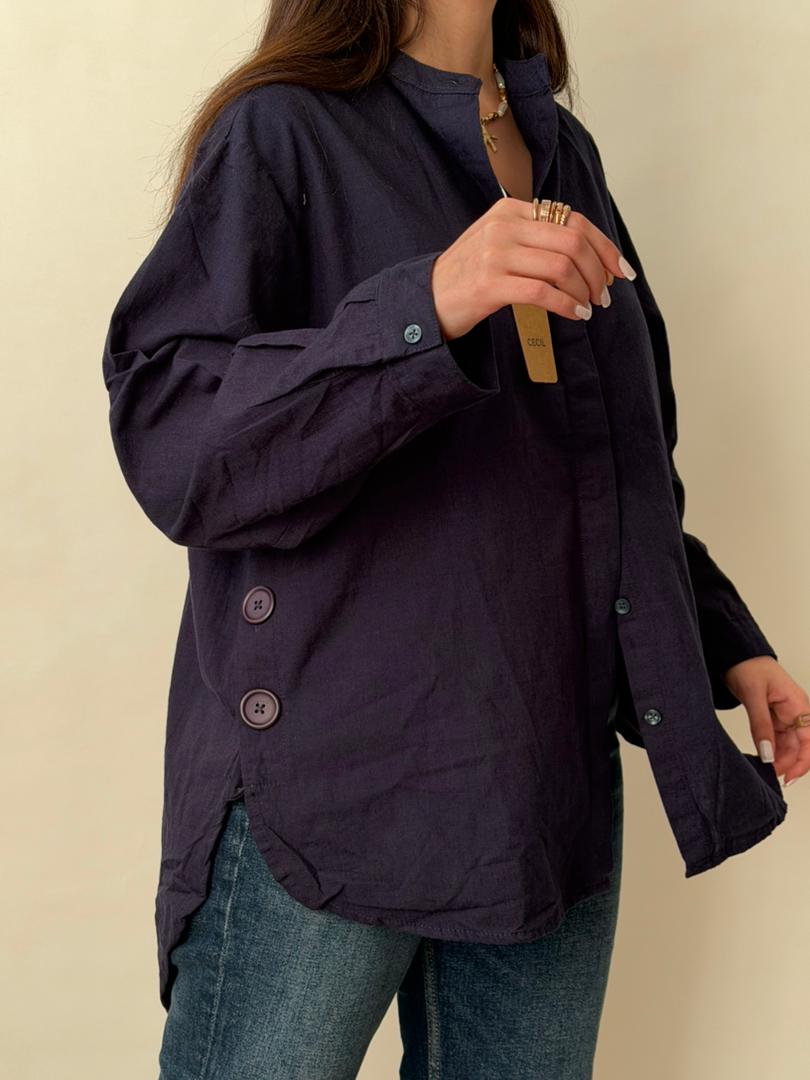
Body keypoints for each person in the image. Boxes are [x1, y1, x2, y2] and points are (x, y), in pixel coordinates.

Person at [101, 1, 808, 1077]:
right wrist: (428, 304)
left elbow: (609, 461)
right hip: (330, 789)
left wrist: (721, 639)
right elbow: (174, 439)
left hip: (542, 795)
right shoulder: (284, 129)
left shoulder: (562, 152)